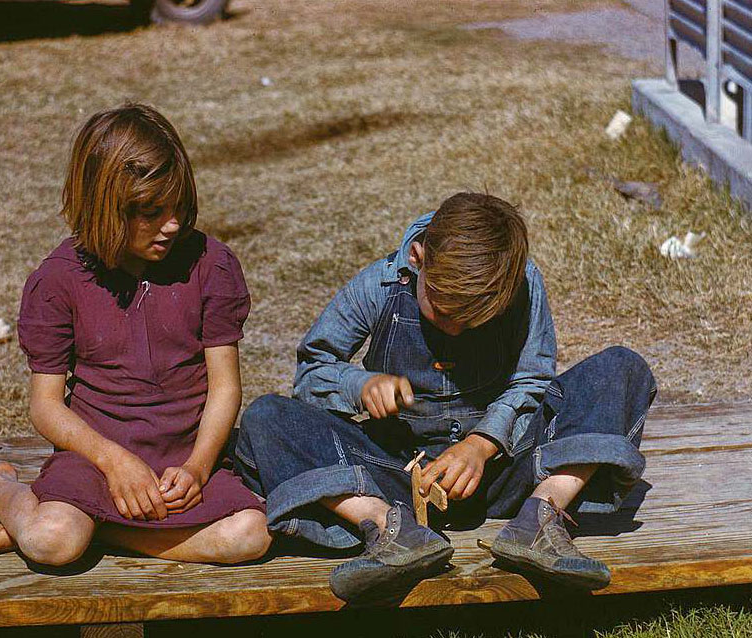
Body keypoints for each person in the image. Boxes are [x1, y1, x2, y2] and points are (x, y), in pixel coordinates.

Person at [233, 193, 656, 602]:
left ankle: (540, 518)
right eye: (444, 311)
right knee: (266, 416)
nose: (454, 330)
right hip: (394, 476)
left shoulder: (524, 283)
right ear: (418, 258)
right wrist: (358, 386)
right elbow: (310, 372)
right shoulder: (378, 286)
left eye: (475, 321)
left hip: (505, 469)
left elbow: (532, 381)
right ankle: (389, 531)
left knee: (619, 368)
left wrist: (480, 444)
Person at [0, 104, 271, 566]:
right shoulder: (59, 280)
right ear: (105, 206)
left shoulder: (210, 265)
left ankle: (100, 532)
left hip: (183, 457)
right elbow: (46, 405)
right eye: (152, 211)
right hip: (94, 458)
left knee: (249, 536)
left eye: (178, 207)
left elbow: (225, 386)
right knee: (52, 542)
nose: (172, 224)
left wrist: (197, 466)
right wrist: (114, 462)